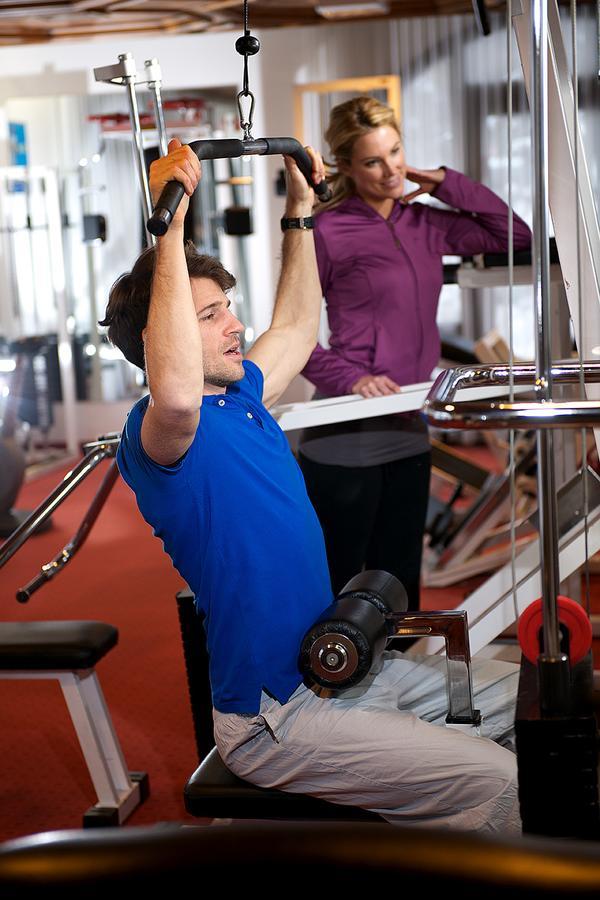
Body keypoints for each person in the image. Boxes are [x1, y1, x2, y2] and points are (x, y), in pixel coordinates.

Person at [101, 137, 522, 834]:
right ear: (161, 338)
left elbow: (296, 325)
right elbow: (175, 393)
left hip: (343, 669)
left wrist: (299, 212)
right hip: (280, 718)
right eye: (211, 316)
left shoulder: (242, 398)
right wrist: (169, 227)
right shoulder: (161, 435)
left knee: (525, 700)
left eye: (227, 308)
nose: (236, 325)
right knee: (499, 781)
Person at [299, 96, 532, 608]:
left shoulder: (425, 223)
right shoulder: (327, 231)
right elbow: (291, 337)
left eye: (396, 152)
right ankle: (321, 686)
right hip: (346, 433)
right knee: (337, 586)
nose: (390, 171)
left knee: (400, 583)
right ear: (346, 167)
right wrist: (350, 377)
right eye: (372, 161)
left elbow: (514, 234)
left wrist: (445, 182)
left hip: (408, 427)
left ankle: (396, 685)